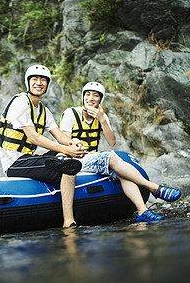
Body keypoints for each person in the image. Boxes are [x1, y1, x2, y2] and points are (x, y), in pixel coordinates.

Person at [60, 82, 181, 222]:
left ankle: (143, 211)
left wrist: (102, 121)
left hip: (91, 157)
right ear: (83, 97)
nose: (90, 98)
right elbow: (64, 140)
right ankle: (154, 187)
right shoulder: (71, 113)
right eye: (87, 94)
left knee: (123, 175)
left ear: (100, 99)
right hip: (74, 158)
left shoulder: (102, 116)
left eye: (95, 95)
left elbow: (111, 141)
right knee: (111, 157)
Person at [0, 64, 87, 228]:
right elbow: (33, 137)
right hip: (14, 163)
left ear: (47, 84)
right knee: (69, 166)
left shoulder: (43, 110)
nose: (39, 83)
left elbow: (60, 136)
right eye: (34, 79)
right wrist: (66, 150)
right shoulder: (20, 102)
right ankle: (68, 222)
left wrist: (74, 144)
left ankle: (57, 166)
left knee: (68, 155)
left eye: (43, 80)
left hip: (28, 158)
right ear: (28, 82)